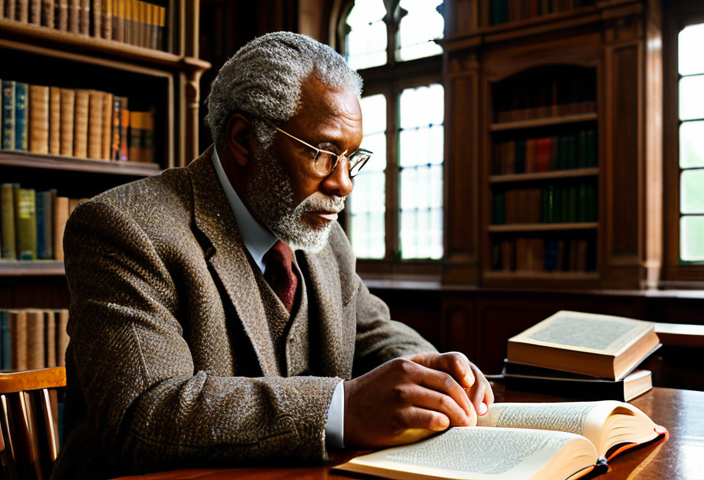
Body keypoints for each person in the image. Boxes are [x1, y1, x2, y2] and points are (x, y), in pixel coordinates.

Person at [52, 32, 493, 480]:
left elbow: (375, 335)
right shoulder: (125, 227)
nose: (344, 184)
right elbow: (144, 418)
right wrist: (342, 408)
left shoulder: (324, 239)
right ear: (244, 138)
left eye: (352, 157)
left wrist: (439, 374)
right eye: (324, 154)